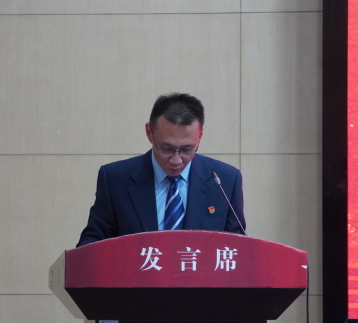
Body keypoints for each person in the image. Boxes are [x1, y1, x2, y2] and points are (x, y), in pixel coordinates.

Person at [77, 93, 245, 247]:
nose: (176, 160)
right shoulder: (115, 179)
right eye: (166, 148)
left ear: (199, 136)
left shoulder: (225, 180)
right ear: (149, 133)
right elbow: (93, 241)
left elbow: (238, 248)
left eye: (187, 149)